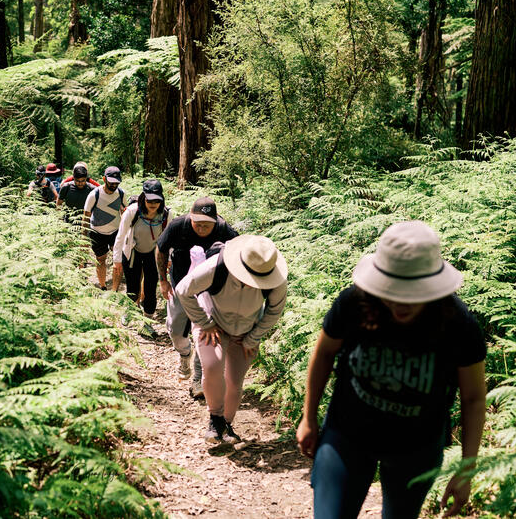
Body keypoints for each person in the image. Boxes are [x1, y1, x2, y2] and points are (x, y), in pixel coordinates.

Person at [296, 221, 487, 519]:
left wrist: (466, 469)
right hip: (347, 435)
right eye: (393, 290)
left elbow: (473, 397)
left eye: (412, 292)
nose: (400, 302)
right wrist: (308, 417)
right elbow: (324, 354)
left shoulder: (457, 324)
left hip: (417, 448)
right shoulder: (354, 304)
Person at [176, 235, 288, 443]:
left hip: (246, 332)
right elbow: (184, 290)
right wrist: (205, 322)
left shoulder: (276, 281)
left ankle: (226, 425)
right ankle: (215, 420)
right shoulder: (216, 267)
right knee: (212, 366)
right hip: (212, 324)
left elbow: (274, 312)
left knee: (235, 382)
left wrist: (252, 338)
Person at [156, 197, 238, 398]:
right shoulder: (178, 226)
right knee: (175, 330)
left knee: (206, 331)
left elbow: (239, 254)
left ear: (215, 220)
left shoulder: (224, 230)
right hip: (180, 286)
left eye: (206, 225)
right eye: (197, 223)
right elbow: (160, 250)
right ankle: (185, 354)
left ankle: (198, 381)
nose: (201, 228)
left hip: (211, 291)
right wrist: (163, 281)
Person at [112, 179, 169, 316]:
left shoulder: (166, 215)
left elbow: (170, 239)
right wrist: (117, 260)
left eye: (156, 201)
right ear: (143, 198)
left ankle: (148, 318)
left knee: (150, 287)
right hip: (132, 252)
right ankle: (130, 313)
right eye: (149, 201)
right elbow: (120, 236)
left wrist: (169, 259)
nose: (153, 204)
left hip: (153, 254)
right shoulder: (132, 212)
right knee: (132, 287)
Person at [83, 166, 126, 290]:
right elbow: (86, 216)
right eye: (111, 182)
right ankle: (102, 286)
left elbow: (125, 212)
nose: (114, 185)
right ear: (104, 179)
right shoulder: (94, 194)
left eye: (116, 183)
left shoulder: (121, 194)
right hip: (97, 232)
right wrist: (84, 237)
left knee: (118, 259)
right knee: (101, 259)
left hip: (116, 233)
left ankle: (115, 290)